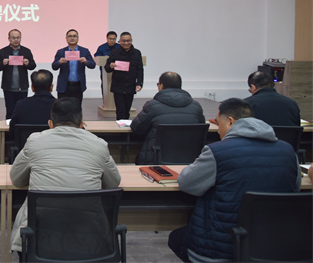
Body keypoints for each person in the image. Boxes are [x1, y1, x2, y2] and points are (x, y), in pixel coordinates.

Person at [168, 98, 301, 262]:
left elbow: (187, 183)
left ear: (230, 121)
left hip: (221, 248)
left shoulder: (217, 151)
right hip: (276, 245)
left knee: (176, 238)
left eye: (218, 123)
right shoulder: (288, 151)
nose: (218, 131)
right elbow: (295, 187)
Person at [9, 97, 121, 254]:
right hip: (89, 238)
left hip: (40, 238)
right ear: (82, 124)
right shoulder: (99, 145)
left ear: (50, 124)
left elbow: (16, 179)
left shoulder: (35, 141)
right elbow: (113, 183)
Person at [130, 72, 205, 165]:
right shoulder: (196, 107)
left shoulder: (152, 106)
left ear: (161, 86)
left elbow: (137, 128)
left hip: (156, 161)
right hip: (190, 161)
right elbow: (202, 128)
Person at [0, 29, 37, 119]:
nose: (16, 40)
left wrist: (28, 63)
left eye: (18, 37)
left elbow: (33, 66)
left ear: (21, 38)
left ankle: (21, 127)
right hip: (8, 87)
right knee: (10, 111)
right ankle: (9, 127)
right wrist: (3, 63)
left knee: (22, 111)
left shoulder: (26, 51)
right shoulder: (3, 51)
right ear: (9, 39)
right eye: (13, 38)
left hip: (22, 87)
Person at [104, 32, 144, 120]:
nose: (126, 43)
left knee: (127, 110)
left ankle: (125, 127)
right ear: (120, 41)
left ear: (131, 40)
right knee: (120, 110)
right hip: (118, 86)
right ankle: (120, 126)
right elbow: (107, 68)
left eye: (128, 41)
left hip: (130, 85)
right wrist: (110, 66)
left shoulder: (137, 53)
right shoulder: (114, 52)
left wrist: (139, 83)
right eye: (123, 41)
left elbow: (140, 69)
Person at [8, 69, 56, 139]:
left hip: (26, 144)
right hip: (52, 144)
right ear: (51, 87)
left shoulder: (21, 105)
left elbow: (12, 131)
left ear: (32, 88)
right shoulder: (59, 106)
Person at [51, 29, 96, 100]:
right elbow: (54, 67)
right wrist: (59, 62)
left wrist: (86, 61)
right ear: (66, 38)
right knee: (62, 106)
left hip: (78, 85)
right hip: (64, 86)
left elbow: (93, 65)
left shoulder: (84, 51)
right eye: (70, 36)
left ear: (78, 38)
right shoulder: (61, 52)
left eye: (74, 36)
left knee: (77, 106)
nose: (72, 38)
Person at [94, 30, 118, 98]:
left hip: (117, 72)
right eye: (110, 39)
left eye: (114, 39)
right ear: (107, 38)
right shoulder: (101, 47)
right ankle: (105, 100)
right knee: (105, 87)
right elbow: (96, 57)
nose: (112, 41)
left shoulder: (119, 47)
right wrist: (103, 57)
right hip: (105, 72)